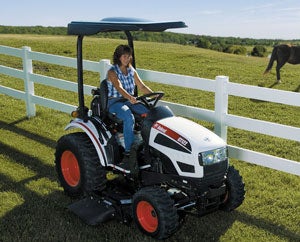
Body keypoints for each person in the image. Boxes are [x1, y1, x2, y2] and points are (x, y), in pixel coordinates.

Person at [106, 44, 153, 172]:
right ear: (119, 57)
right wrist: (130, 97)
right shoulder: (112, 71)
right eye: (124, 56)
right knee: (128, 117)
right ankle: (129, 154)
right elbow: (118, 87)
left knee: (150, 113)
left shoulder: (132, 70)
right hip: (114, 102)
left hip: (129, 100)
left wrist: (153, 95)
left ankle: (148, 148)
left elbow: (142, 87)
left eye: (129, 56)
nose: (127, 59)